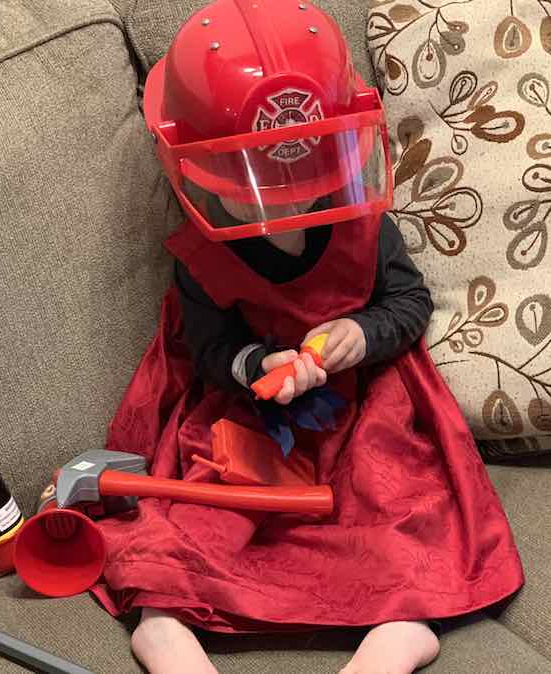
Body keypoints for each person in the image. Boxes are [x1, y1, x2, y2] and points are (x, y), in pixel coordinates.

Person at [90, 2, 524, 673]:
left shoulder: (363, 223)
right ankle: (166, 622)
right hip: (259, 410)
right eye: (255, 190)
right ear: (199, 173)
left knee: (395, 504)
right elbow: (209, 351)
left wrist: (361, 330)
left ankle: (400, 628)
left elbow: (408, 302)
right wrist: (261, 364)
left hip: (365, 403)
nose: (283, 207)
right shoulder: (202, 256)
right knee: (203, 515)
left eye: (305, 185)